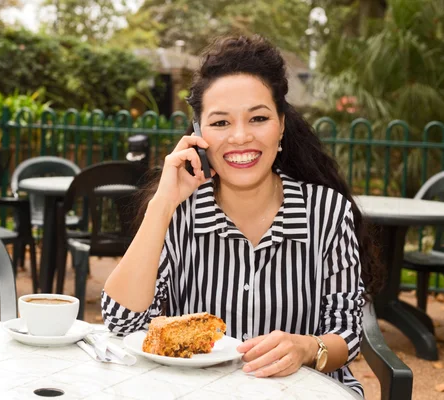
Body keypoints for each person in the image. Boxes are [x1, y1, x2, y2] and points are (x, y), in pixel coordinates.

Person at [102, 35, 383, 397]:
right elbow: (122, 322)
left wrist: (306, 348)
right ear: (199, 132)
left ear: (281, 125)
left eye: (258, 118)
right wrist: (163, 203)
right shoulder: (180, 211)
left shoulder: (327, 211)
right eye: (220, 123)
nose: (240, 136)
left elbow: (346, 332)